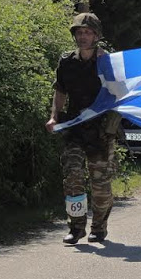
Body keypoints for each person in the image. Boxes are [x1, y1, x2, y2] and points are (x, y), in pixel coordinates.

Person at [45, 12, 121, 245]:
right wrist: (54, 117)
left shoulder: (108, 63)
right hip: (75, 128)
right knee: (73, 176)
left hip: (100, 131)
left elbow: (121, 93)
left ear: (96, 36)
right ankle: (76, 226)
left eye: (88, 32)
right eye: (79, 32)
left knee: (100, 183)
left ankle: (99, 227)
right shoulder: (67, 62)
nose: (83, 36)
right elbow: (60, 91)